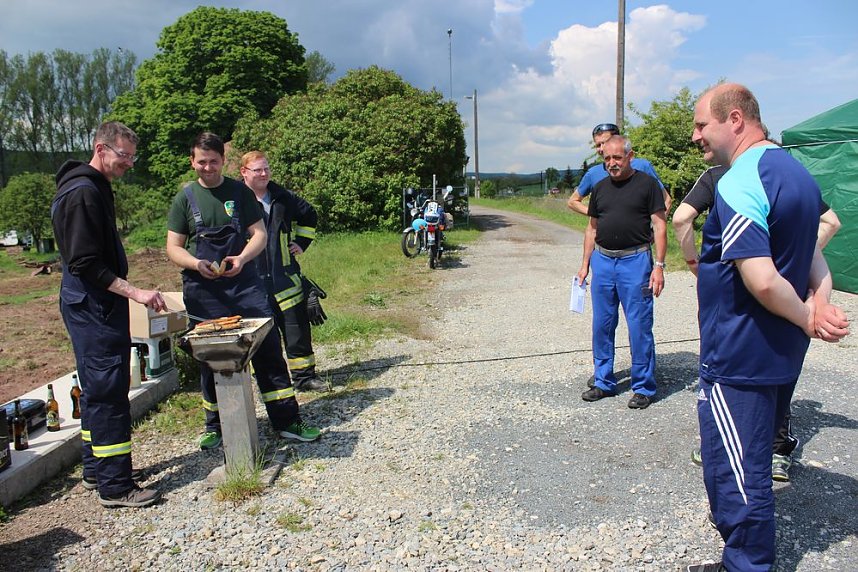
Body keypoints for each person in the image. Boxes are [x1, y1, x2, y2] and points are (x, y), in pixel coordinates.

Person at [685, 83, 849, 572]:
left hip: (739, 354)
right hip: (781, 353)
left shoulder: (739, 180)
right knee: (751, 463)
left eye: (700, 124)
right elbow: (815, 252)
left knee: (738, 476)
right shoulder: (796, 173)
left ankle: (747, 564)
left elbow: (760, 279)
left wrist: (809, 316)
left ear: (735, 119)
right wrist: (819, 303)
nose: (696, 136)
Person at [674, 164, 843, 482]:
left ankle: (720, 447)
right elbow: (831, 222)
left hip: (735, 294)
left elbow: (682, 217)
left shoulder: (719, 175)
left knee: (724, 372)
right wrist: (794, 257)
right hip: (785, 289)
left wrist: (694, 261)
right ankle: (777, 452)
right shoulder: (789, 177)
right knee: (778, 371)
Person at [166, 133, 321, 449]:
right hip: (204, 291)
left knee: (268, 352)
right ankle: (216, 426)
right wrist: (196, 264)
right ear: (192, 161)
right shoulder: (185, 199)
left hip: (245, 285)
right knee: (210, 357)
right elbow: (173, 247)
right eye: (201, 161)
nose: (208, 167)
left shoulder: (240, 193)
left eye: (214, 161)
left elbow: (259, 235)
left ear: (223, 160)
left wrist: (241, 258)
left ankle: (287, 420)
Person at [52, 121, 164, 508]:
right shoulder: (83, 193)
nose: (129, 164)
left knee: (99, 387)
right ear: (101, 149)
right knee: (108, 390)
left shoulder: (93, 187)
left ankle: (96, 468)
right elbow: (85, 263)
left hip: (94, 304)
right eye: (123, 156)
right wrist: (136, 293)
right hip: (92, 305)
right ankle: (115, 486)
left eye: (133, 157)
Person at [576, 135, 667, 410]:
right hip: (603, 263)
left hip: (635, 262)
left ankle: (643, 387)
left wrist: (659, 267)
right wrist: (584, 265)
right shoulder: (600, 187)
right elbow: (592, 228)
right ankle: (603, 381)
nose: (612, 164)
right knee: (602, 325)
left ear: (630, 156)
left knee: (639, 326)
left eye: (617, 158)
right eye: (607, 159)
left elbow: (660, 226)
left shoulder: (647, 184)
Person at [240, 150, 328, 392]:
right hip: (252, 282)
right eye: (257, 169)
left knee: (297, 331)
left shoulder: (281, 196)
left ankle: (305, 378)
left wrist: (302, 242)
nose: (264, 173)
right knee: (261, 338)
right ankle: (269, 382)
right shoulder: (235, 200)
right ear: (244, 172)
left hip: (285, 278)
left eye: (266, 168)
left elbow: (309, 214)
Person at [567, 123, 672, 216]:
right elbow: (573, 201)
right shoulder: (593, 173)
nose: (602, 148)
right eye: (598, 145)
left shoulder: (643, 166)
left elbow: (666, 200)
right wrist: (597, 214)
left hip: (640, 237)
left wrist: (654, 230)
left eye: (605, 142)